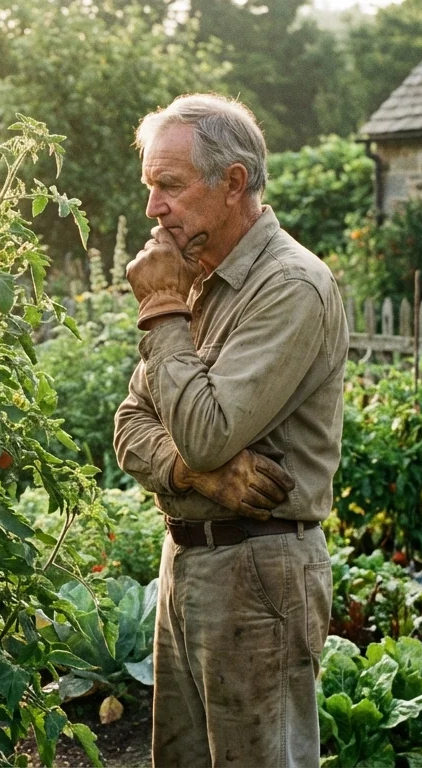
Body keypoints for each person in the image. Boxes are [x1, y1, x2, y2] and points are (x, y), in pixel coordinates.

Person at [112, 93, 348, 767]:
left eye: (171, 186)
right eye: (150, 187)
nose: (154, 207)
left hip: (259, 568)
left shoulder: (290, 286)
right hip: (187, 559)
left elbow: (208, 431)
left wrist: (159, 308)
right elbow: (130, 426)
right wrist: (196, 474)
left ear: (234, 183)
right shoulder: (197, 278)